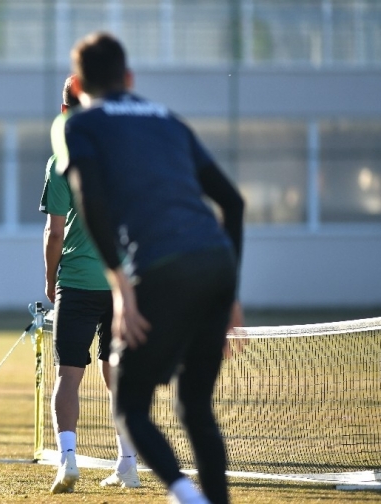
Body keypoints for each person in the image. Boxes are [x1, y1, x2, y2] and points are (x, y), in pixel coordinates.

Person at [53, 32, 244, 504]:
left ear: (77, 86)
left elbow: (91, 200)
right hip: (217, 264)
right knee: (195, 405)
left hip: (160, 267)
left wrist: (120, 284)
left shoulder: (76, 125)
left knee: (131, 406)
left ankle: (186, 495)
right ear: (130, 77)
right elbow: (233, 203)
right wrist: (231, 292)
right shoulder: (168, 119)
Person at [41, 76, 140, 494]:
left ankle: (67, 460)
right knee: (119, 375)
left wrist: (50, 281)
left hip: (77, 283)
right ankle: (129, 464)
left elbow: (54, 233)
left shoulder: (60, 160)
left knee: (68, 374)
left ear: (65, 111)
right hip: (120, 284)